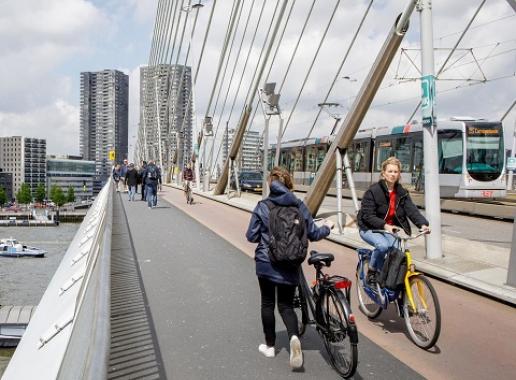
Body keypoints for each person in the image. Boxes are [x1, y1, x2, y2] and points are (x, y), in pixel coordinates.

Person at [246, 166, 333, 370]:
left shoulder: (263, 205)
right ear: (289, 184)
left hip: (266, 262)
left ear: (271, 184)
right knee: (285, 305)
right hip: (290, 263)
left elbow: (250, 236)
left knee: (267, 303)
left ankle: (269, 347)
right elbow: (313, 233)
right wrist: (328, 227)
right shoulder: (299, 205)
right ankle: (294, 337)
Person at [357, 157, 430, 286]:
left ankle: (389, 280)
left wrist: (423, 224)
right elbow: (368, 216)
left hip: (388, 229)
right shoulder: (373, 191)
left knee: (398, 252)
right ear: (383, 173)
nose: (393, 174)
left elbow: (411, 210)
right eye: (390, 171)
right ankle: (372, 271)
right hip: (369, 228)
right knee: (383, 245)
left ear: (399, 174)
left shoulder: (402, 192)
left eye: (395, 172)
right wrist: (385, 225)